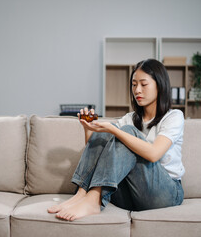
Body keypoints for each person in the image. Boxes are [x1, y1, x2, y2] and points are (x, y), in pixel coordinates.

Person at [47, 59, 185, 221]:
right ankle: (81, 194)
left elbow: (154, 154)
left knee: (123, 132)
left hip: (164, 194)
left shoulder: (173, 117)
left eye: (143, 84)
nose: (137, 90)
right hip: (131, 195)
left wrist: (114, 130)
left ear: (159, 86)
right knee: (107, 132)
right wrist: (89, 128)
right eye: (134, 85)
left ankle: (93, 200)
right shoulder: (130, 118)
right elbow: (100, 154)